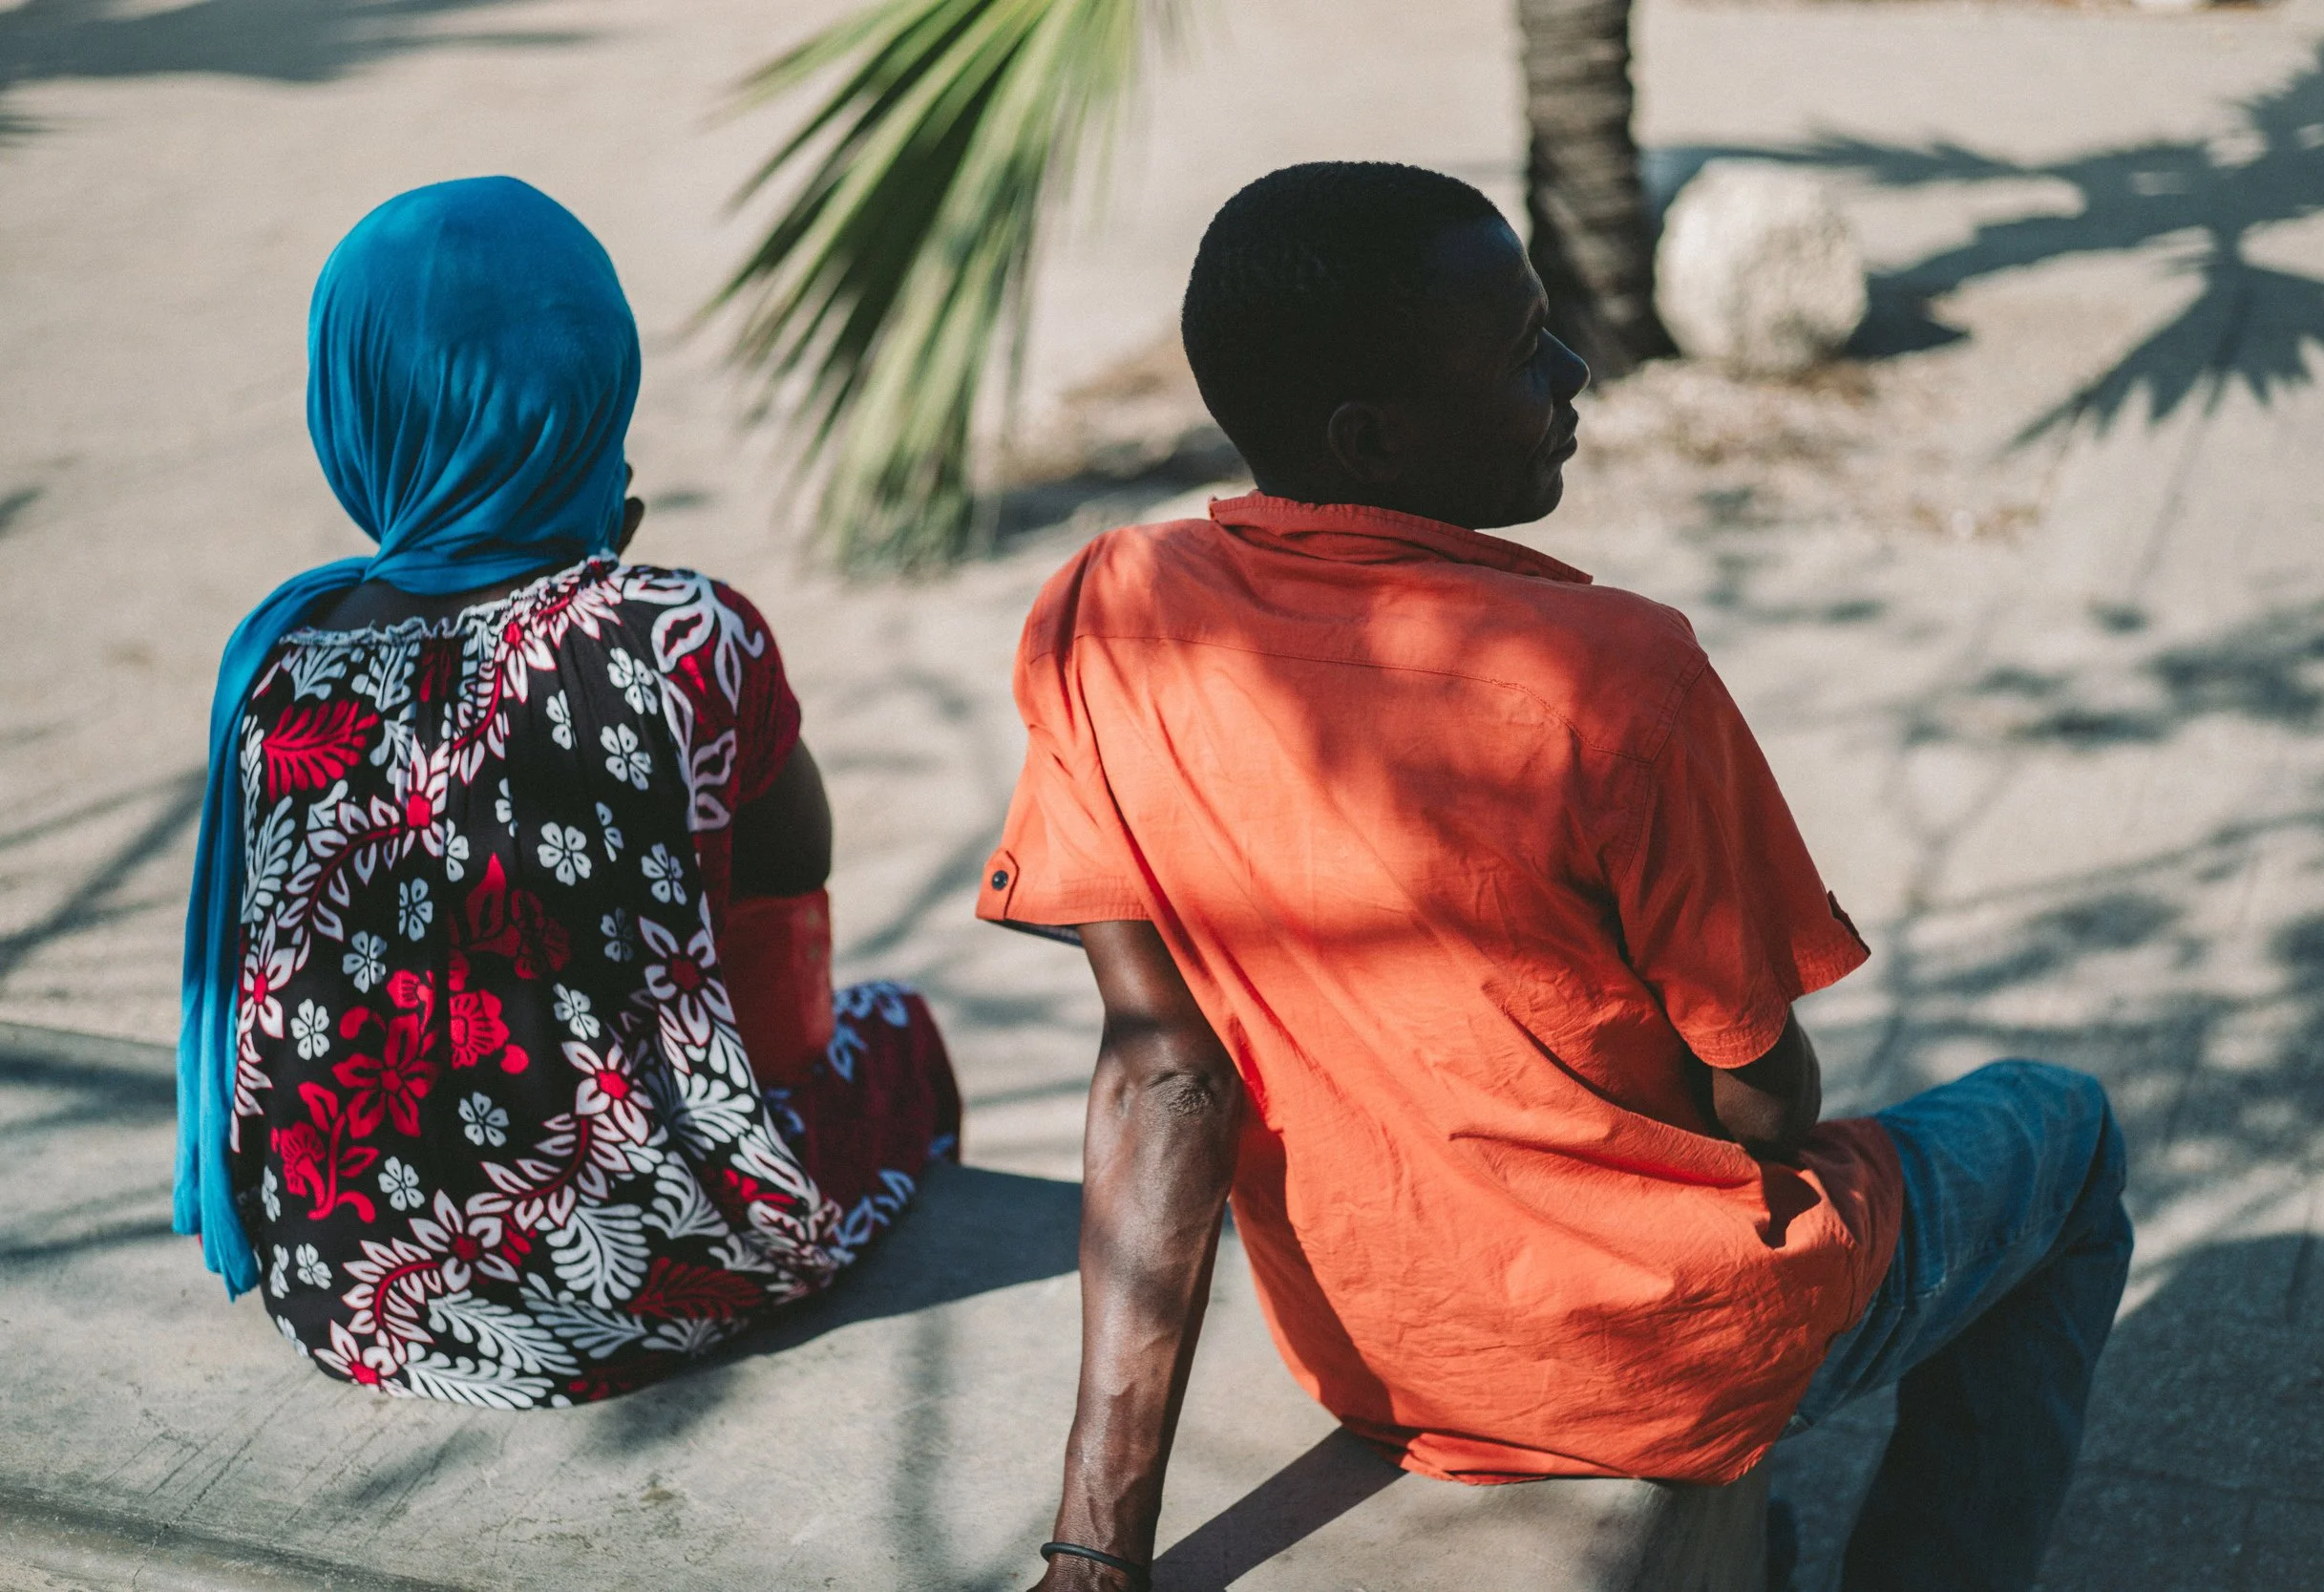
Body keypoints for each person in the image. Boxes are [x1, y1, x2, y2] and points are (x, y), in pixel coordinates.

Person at [979, 162, 2131, 1592]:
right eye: (1527, 349)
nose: (1574, 371)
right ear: (1374, 439)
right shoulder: (1615, 678)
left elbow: (1162, 1071)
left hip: (1371, 1344)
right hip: (1646, 1352)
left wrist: (1095, 1555)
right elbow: (1770, 1100)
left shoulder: (1106, 621)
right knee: (2067, 1132)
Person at [174, 177, 960, 1407]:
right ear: (601, 381)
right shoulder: (680, 630)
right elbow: (792, 870)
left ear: (354, 402)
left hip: (343, 1288)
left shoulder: (280, 659)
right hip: (651, 1279)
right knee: (898, 1037)